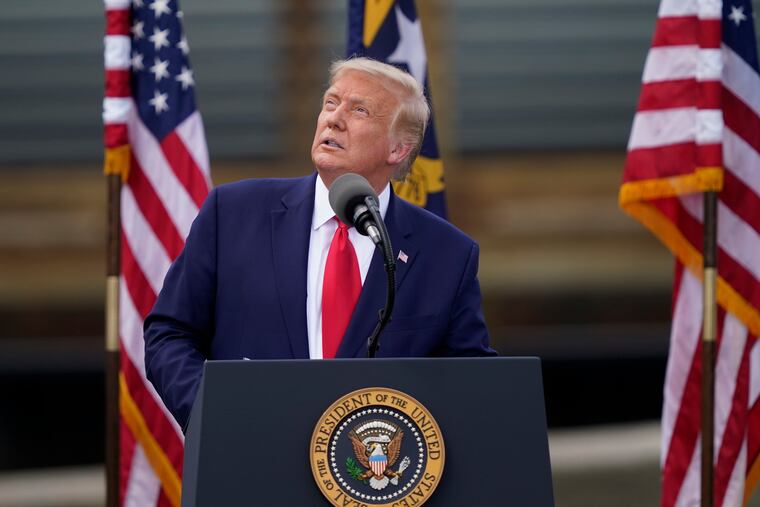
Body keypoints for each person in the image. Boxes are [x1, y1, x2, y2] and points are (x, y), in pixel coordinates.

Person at [144, 58, 496, 429]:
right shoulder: (232, 214)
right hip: (248, 463)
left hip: (371, 473)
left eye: (360, 110)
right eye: (331, 103)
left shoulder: (447, 254)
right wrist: (216, 415)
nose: (334, 119)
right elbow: (169, 334)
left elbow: (470, 382)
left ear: (397, 150)